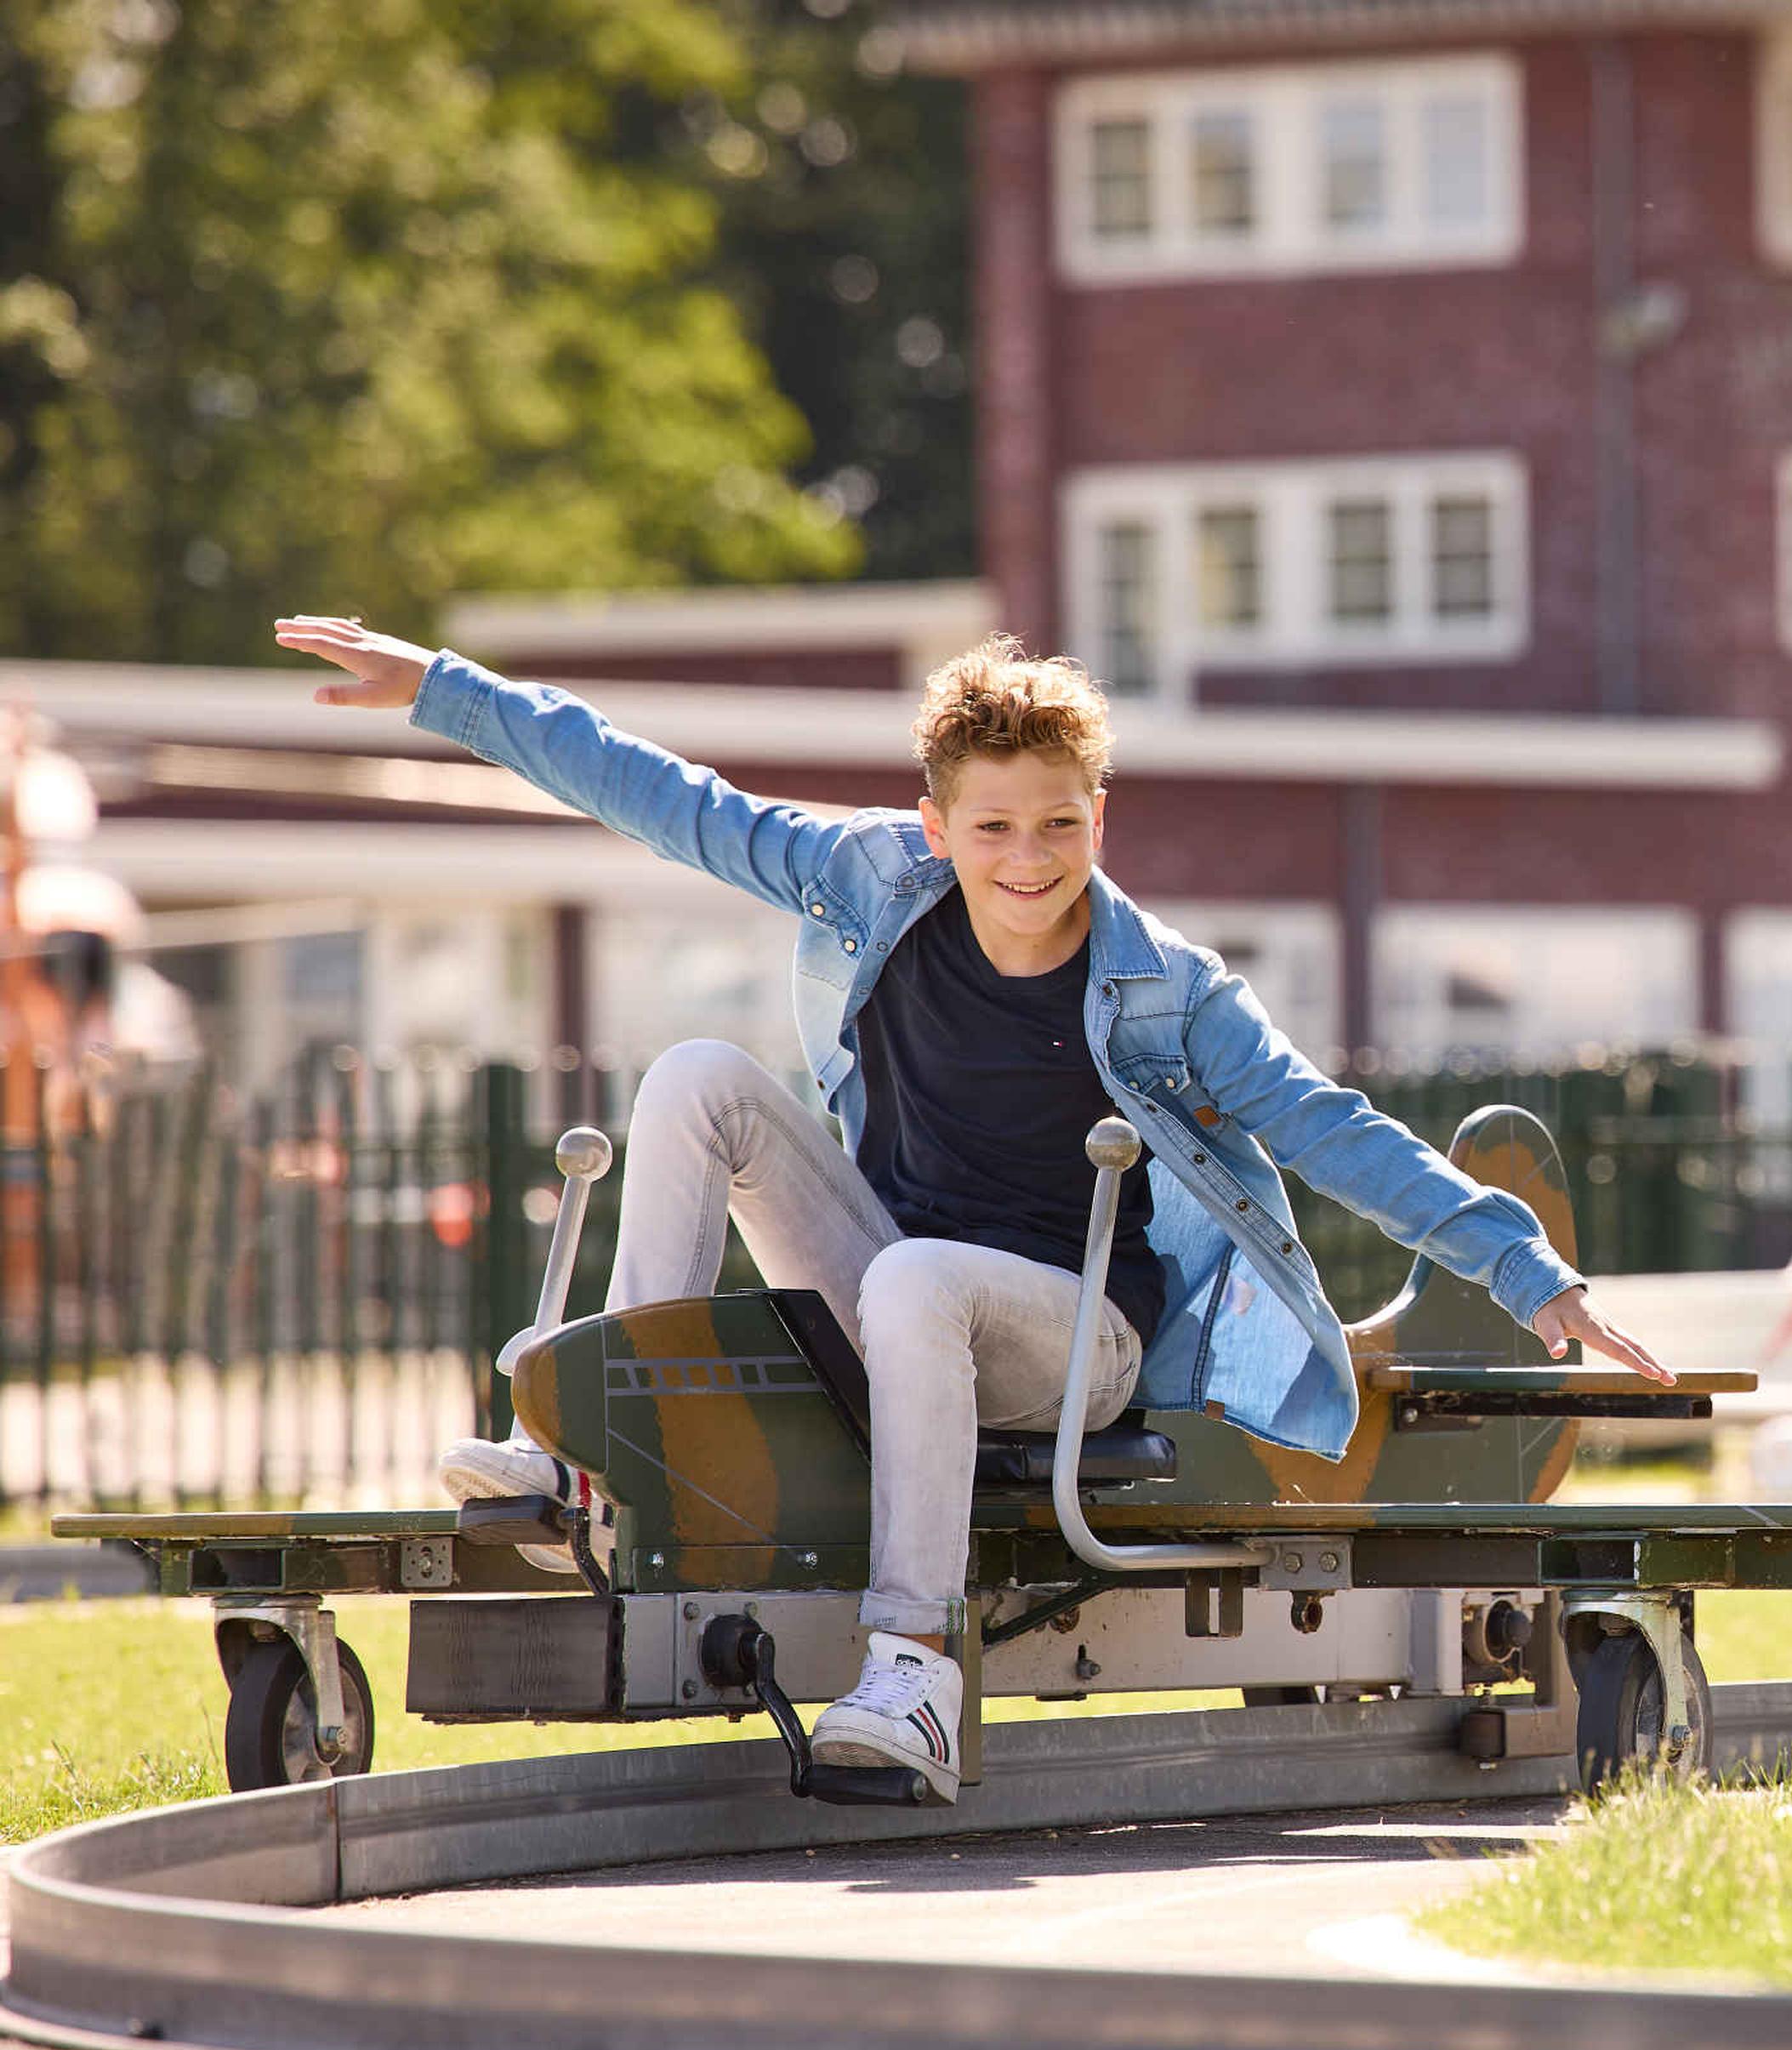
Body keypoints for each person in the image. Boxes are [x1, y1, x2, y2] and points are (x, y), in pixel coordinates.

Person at [272, 615, 1669, 1801]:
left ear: (1098, 817)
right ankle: (590, 1453)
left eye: (1061, 823)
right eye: (993, 826)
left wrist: (1529, 1268)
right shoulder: (871, 882)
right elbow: (660, 795)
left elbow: (1329, 1127)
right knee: (702, 1077)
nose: (1028, 858)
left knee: (919, 1280)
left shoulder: (1173, 988)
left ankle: (914, 1670)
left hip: (1080, 1347)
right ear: (937, 827)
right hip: (895, 1280)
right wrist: (441, 688)